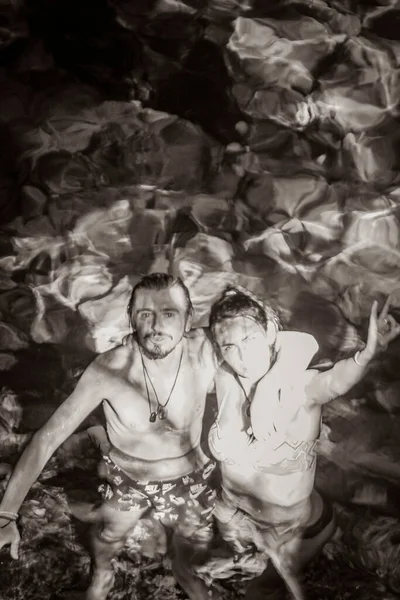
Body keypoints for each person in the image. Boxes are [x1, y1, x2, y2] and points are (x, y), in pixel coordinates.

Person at [0, 273, 220, 600]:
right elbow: (48, 438)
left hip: (190, 474)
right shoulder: (109, 370)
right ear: (131, 319)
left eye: (169, 313)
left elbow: (268, 345)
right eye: (145, 314)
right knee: (110, 534)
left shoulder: (206, 351)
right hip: (130, 476)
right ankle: (103, 572)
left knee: (191, 536)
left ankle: (182, 566)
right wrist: (6, 513)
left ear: (189, 319)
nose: (157, 324)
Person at [203, 286, 400, 600]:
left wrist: (367, 354)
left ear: (269, 333)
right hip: (237, 517)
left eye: (249, 340)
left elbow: (333, 381)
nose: (241, 357)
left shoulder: (299, 387)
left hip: (296, 530)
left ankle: (338, 533)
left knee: (260, 592)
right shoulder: (224, 381)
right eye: (230, 346)